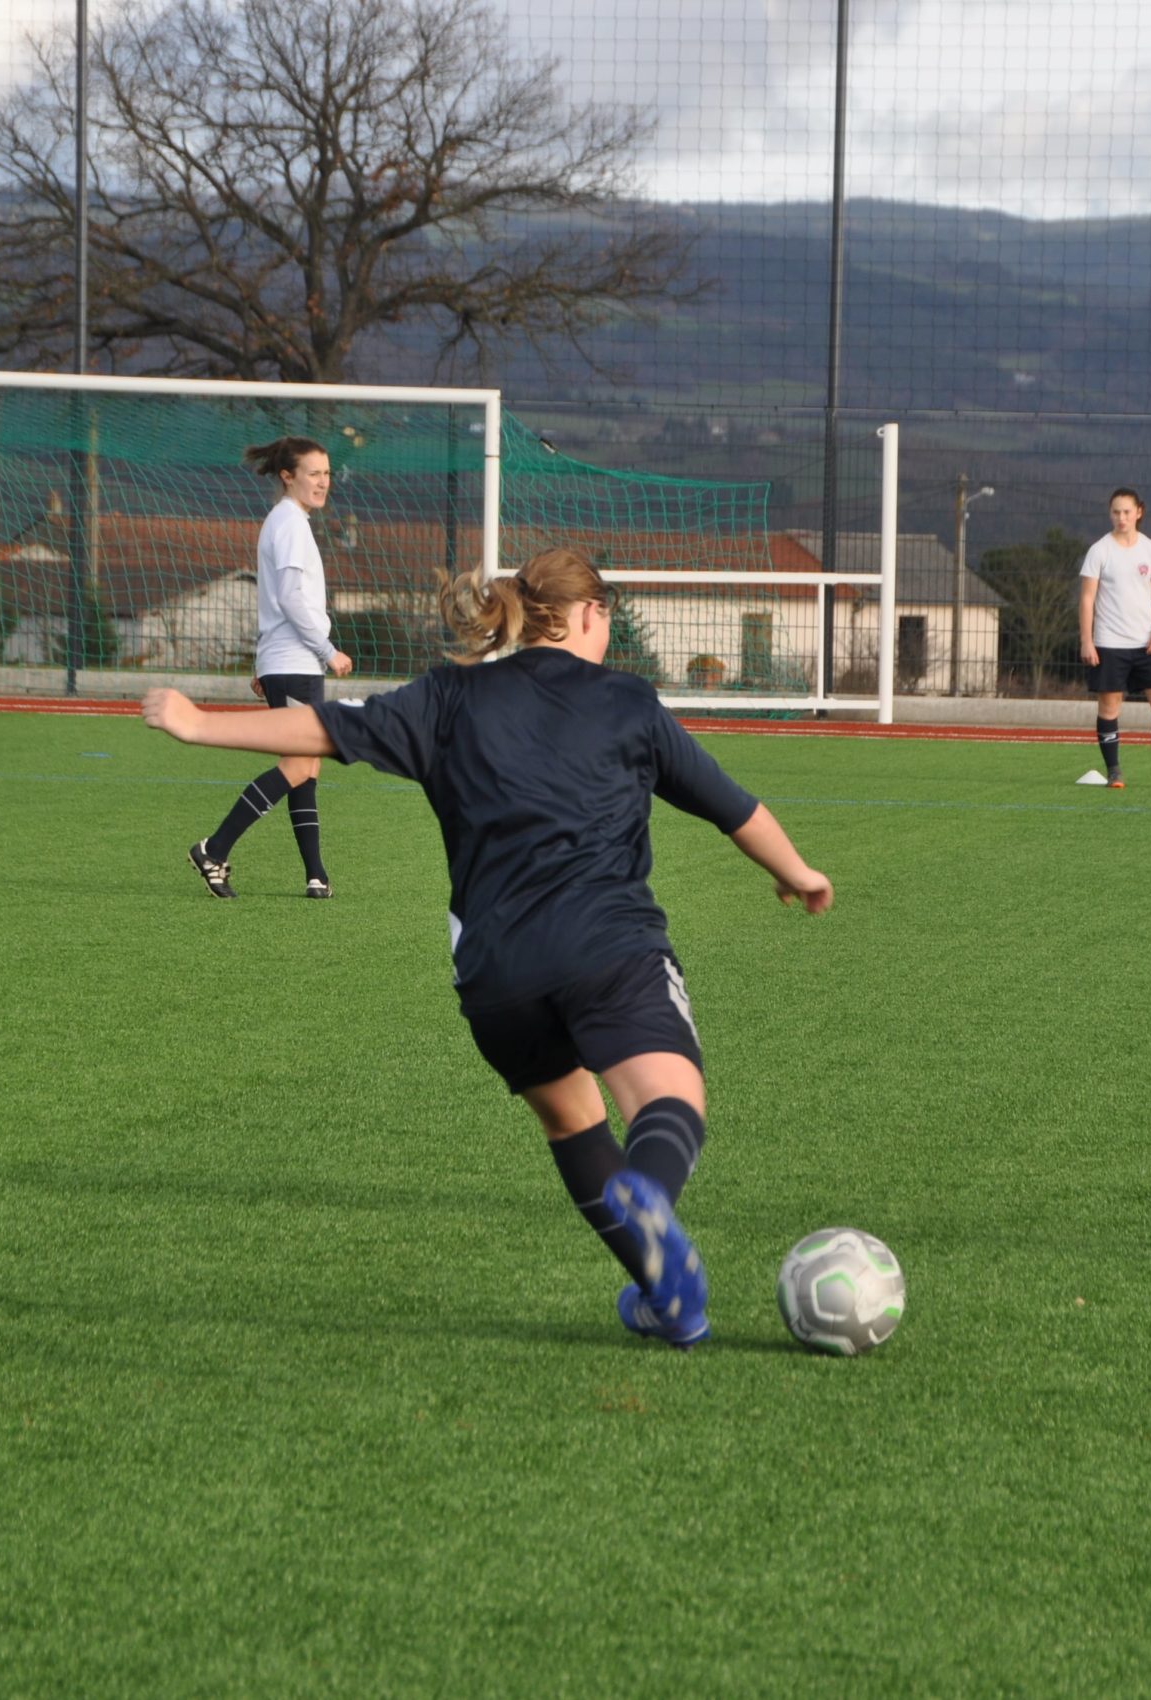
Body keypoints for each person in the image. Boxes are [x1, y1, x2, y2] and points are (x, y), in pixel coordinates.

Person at [141, 547, 833, 1346]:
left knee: (573, 1123)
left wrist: (197, 724)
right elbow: (732, 808)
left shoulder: (448, 698)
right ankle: (649, 1195)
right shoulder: (628, 702)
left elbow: (327, 728)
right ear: (589, 615)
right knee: (668, 1100)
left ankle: (665, 1298)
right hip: (609, 948)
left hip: (499, 980)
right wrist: (799, 871)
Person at [187, 436, 354, 899]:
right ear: (288, 476)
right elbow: (290, 599)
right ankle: (214, 849)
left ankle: (316, 874)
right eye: (313, 473)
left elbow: (277, 603)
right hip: (298, 660)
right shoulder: (289, 524)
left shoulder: (289, 521)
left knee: (307, 765)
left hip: (289, 660)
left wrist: (268, 657)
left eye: (326, 473)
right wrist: (327, 649)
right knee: (299, 763)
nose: (323, 482)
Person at [1078, 487, 1151, 789]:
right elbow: (1087, 598)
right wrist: (1087, 640)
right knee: (1109, 708)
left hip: (1147, 644)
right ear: (1110, 514)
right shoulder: (1099, 551)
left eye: (1127, 512)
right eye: (1116, 512)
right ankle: (1114, 771)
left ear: (1138, 512)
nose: (1121, 517)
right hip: (1109, 644)